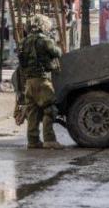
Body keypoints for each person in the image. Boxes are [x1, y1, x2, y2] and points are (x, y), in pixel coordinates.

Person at [18, 14, 63, 149]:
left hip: (29, 82)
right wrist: (54, 41)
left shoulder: (24, 41)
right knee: (50, 109)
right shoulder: (44, 40)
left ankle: (33, 141)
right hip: (42, 80)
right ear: (43, 25)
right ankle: (49, 140)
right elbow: (57, 53)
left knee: (32, 112)